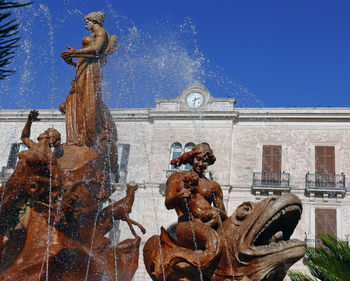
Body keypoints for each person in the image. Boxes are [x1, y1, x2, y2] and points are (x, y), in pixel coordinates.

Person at [60, 11, 118, 148]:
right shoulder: (93, 35)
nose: (86, 25)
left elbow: (97, 49)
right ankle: (81, 135)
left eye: (87, 22)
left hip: (91, 71)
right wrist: (71, 62)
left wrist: (75, 52)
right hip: (84, 70)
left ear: (94, 21)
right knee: (80, 102)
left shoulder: (101, 32)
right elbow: (85, 58)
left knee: (88, 101)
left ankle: (89, 137)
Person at [0, 110, 62, 233]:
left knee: (3, 213)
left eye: (45, 132)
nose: (41, 132)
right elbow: (24, 137)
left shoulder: (49, 156)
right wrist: (29, 121)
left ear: (50, 138)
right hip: (10, 183)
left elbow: (57, 182)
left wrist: (38, 179)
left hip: (21, 188)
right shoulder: (33, 146)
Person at [165, 143, 227, 227]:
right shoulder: (177, 177)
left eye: (204, 161)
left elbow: (224, 216)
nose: (200, 164)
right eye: (198, 159)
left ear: (208, 163)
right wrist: (179, 196)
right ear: (191, 159)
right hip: (186, 224)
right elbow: (168, 204)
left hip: (208, 222)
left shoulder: (213, 186)